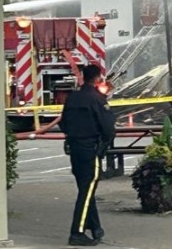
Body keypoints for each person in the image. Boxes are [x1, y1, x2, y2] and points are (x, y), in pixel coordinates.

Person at [59, 64, 115, 246]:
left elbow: (64, 123)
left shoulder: (72, 98)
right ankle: (77, 232)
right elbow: (108, 127)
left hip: (74, 148)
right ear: (98, 78)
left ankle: (96, 227)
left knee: (85, 189)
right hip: (90, 148)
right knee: (87, 190)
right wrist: (103, 145)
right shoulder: (97, 99)